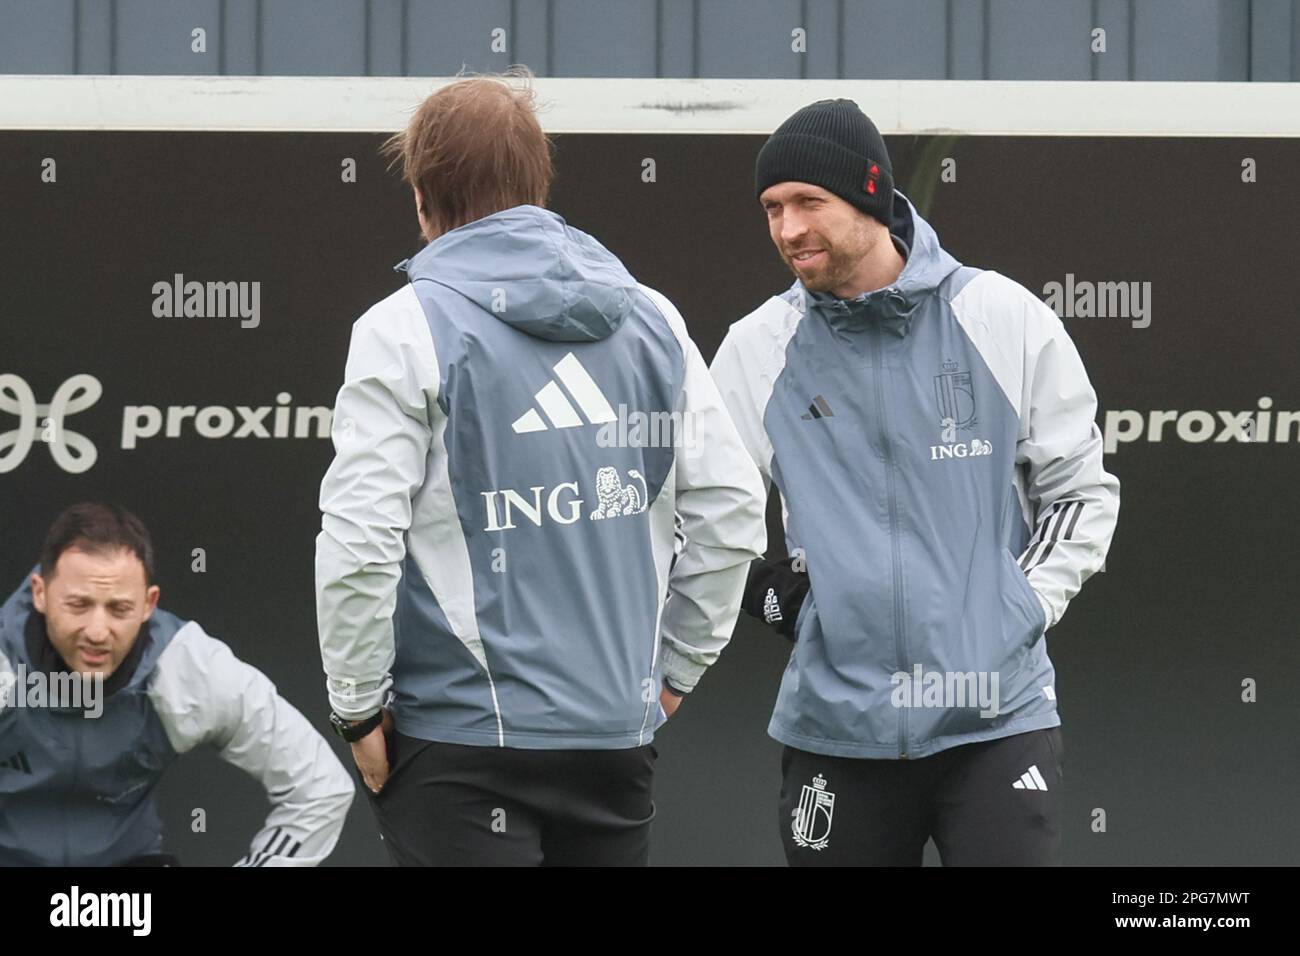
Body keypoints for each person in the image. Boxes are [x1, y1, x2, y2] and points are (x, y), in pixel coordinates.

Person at [314, 70, 766, 867]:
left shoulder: (402, 326)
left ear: (423, 199)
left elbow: (360, 541)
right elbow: (730, 511)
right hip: (610, 743)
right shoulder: (652, 316)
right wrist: (671, 678)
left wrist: (356, 711)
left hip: (456, 743)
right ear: (537, 184)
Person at [710, 99, 1120, 865]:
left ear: (869, 197)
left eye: (809, 202)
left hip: (994, 720)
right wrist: (777, 597)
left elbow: (1080, 492)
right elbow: (698, 510)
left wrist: (1014, 605)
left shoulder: (1001, 316)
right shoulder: (758, 345)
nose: (788, 228)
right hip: (838, 728)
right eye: (772, 207)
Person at [0, 502, 354, 866]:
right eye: (78, 605)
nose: (96, 631)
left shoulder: (184, 667)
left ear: (148, 603)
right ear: (40, 592)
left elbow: (320, 788)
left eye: (119, 609)